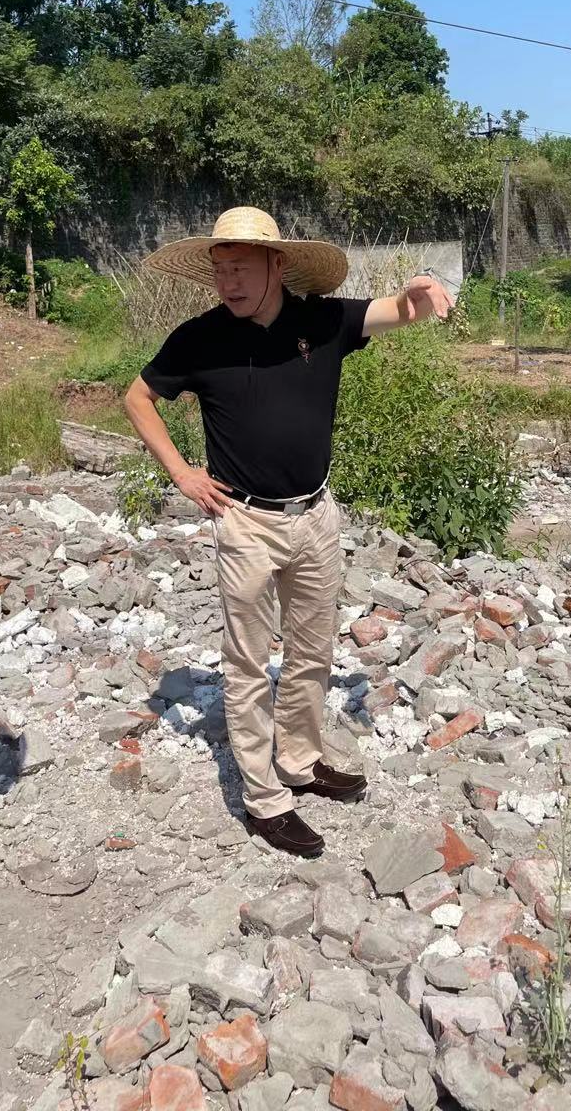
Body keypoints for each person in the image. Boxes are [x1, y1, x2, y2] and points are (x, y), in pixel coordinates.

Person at [125, 207, 454, 857]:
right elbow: (138, 398)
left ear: (277, 265)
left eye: (241, 268)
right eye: (220, 270)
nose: (228, 281)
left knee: (311, 651)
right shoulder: (198, 338)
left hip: (315, 515)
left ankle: (300, 761)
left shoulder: (321, 321)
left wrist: (418, 292)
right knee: (249, 664)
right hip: (244, 520)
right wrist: (182, 473)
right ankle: (264, 800)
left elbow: (395, 311)